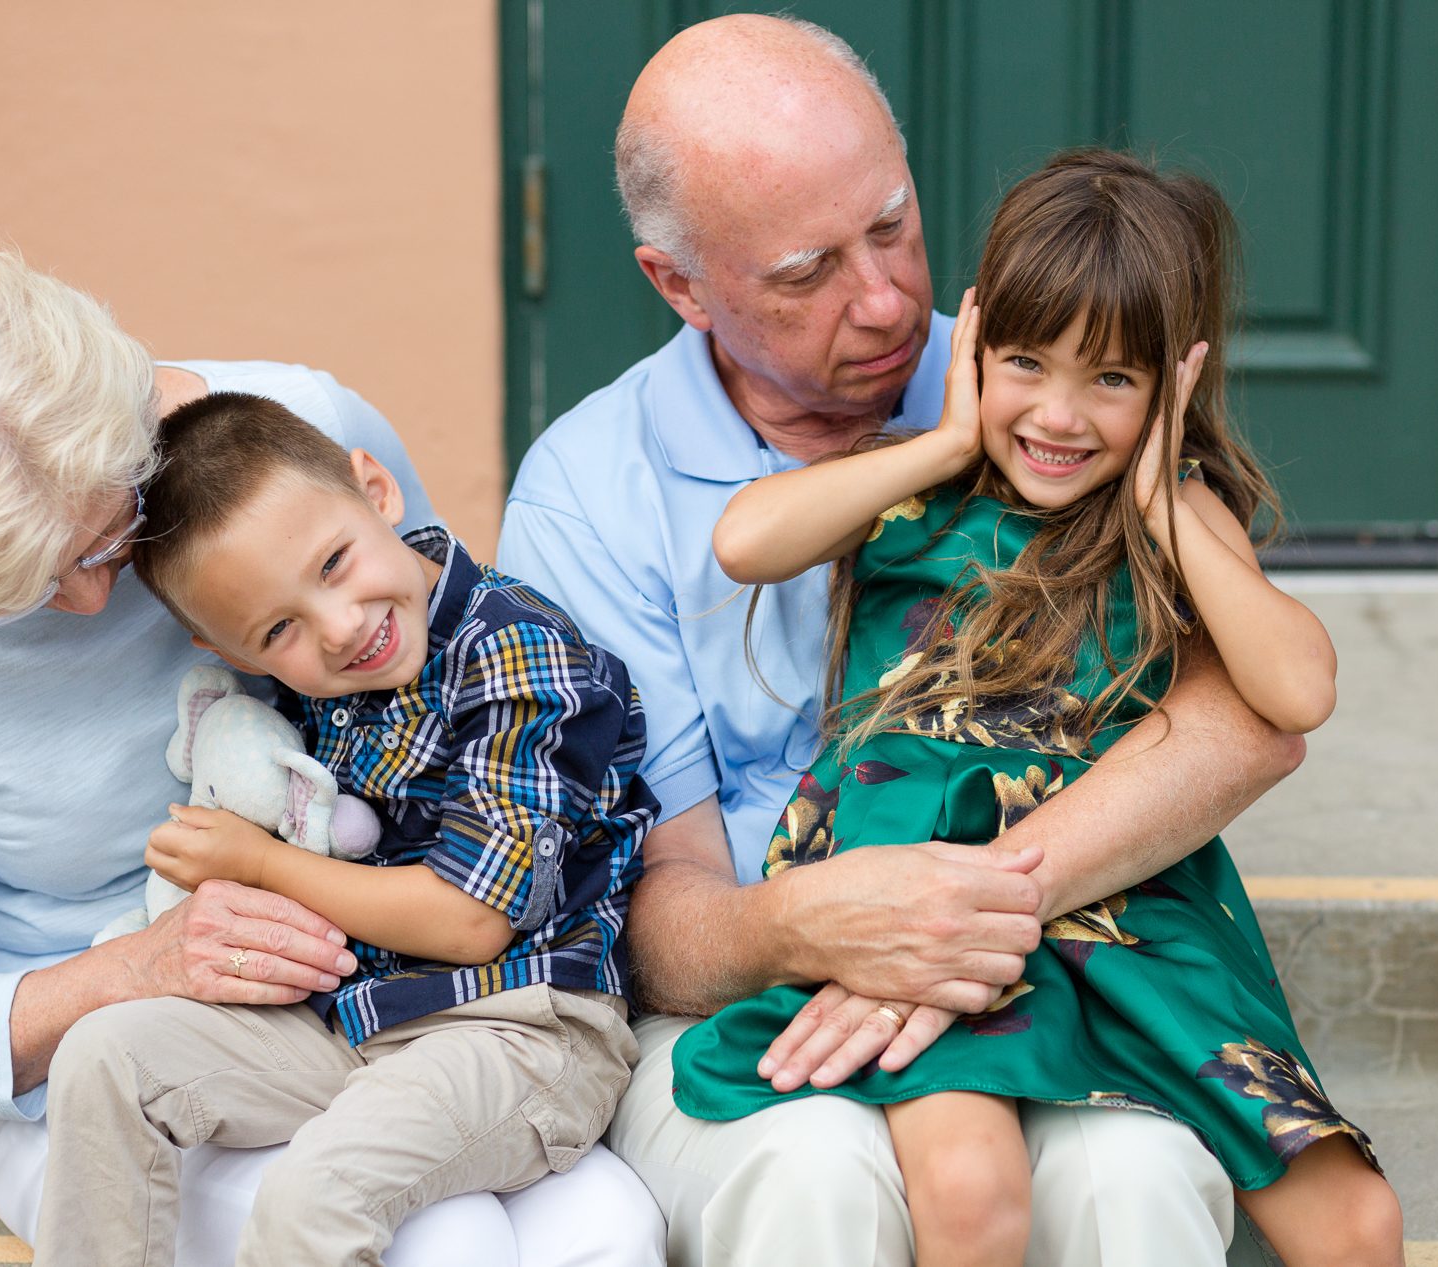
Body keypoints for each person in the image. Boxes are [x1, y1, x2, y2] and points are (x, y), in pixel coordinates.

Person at [497, 15, 1306, 1266]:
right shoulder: (588, 497)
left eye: (891, 226)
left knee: (1132, 1179)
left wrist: (957, 917)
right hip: (754, 983)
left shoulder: (1057, 390)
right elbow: (653, 908)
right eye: (805, 272)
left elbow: (1249, 725)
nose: (883, 300)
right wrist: (825, 929)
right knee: (814, 1176)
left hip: (1064, 955)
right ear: (681, 285)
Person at [0, 249, 665, 1265]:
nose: (86, 603)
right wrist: (138, 966)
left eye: (100, 542)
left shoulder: (295, 435)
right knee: (445, 1241)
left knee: (606, 1226)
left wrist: (280, 876)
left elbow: (448, 698)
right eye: (15, 594)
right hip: (123, 1041)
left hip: (402, 997)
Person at [672, 150, 1404, 1267]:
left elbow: (1298, 689)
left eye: (1112, 378)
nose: (1058, 416)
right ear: (971, 344)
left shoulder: (1171, 509)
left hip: (1121, 907)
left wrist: (1163, 491)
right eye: (1025, 362)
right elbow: (744, 541)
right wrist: (950, 436)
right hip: (924, 886)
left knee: (1357, 1215)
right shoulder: (913, 484)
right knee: (971, 1193)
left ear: (1172, 380)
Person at [12, 392, 658, 1266]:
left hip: (521, 1032)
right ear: (236, 656)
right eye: (280, 628)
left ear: (377, 491)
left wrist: (258, 863)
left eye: (335, 563)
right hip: (352, 1024)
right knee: (102, 1054)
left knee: (316, 1192)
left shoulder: (517, 654)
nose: (342, 626)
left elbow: (471, 919)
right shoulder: (313, 690)